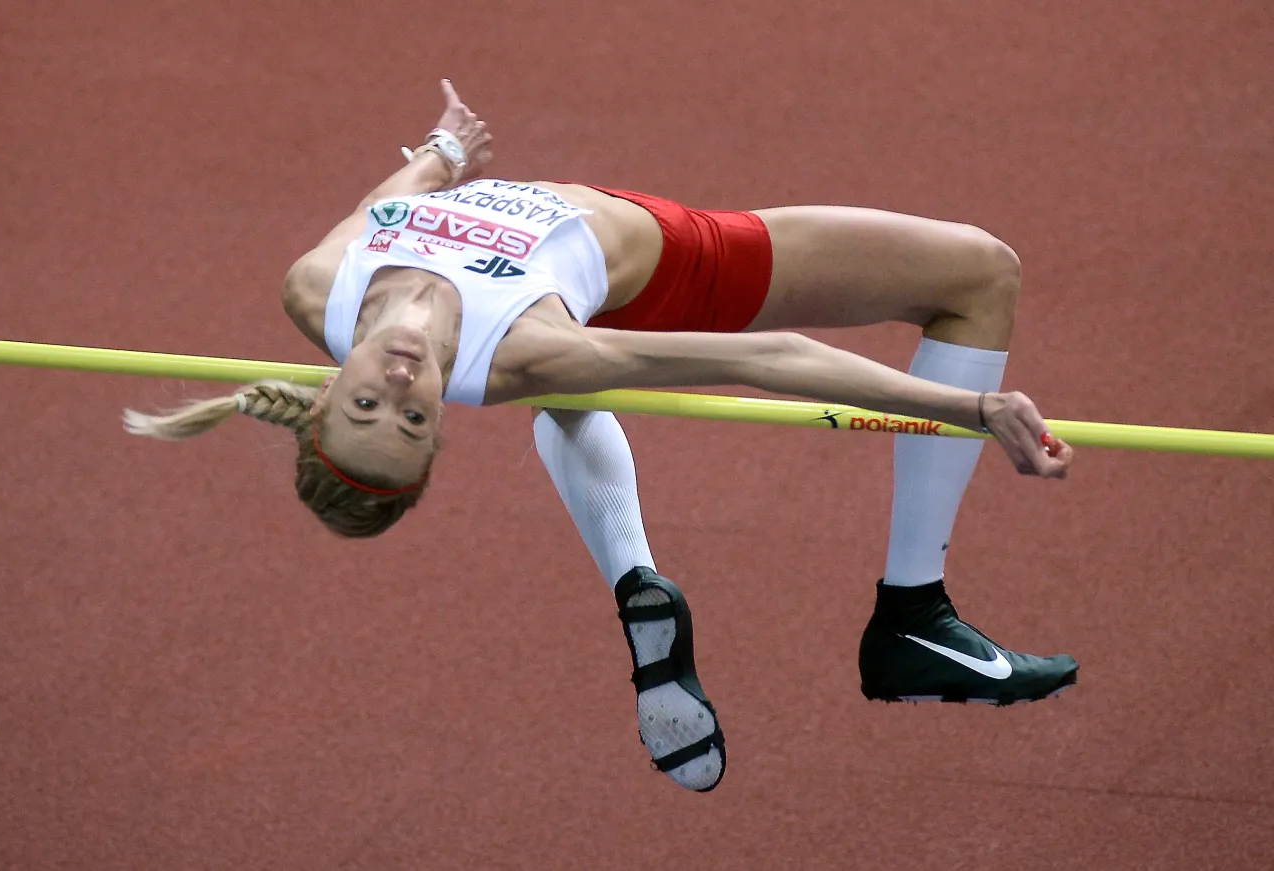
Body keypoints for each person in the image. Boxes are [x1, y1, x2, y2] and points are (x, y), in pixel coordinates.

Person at [124, 80, 1078, 793]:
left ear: (328, 390)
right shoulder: (521, 351)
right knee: (981, 273)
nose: (400, 388)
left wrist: (444, 151)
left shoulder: (313, 288)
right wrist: (971, 407)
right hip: (690, 260)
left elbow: (383, 215)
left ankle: (637, 581)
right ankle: (913, 616)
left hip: (588, 256)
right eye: (413, 421)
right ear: (439, 426)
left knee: (571, 401)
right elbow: (771, 357)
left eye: (367, 404)